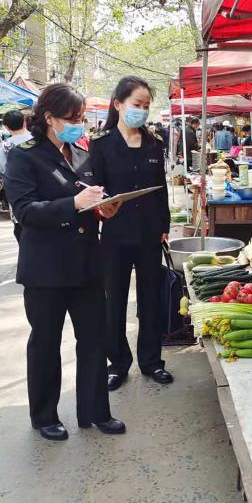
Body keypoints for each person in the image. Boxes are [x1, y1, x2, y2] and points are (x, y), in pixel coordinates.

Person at [4, 82, 125, 441]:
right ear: (49, 118)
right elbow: (25, 211)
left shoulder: (81, 153)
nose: (79, 124)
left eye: (83, 118)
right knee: (45, 342)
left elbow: (88, 202)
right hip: (46, 269)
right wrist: (73, 205)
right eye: (72, 118)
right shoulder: (24, 155)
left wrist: (104, 209)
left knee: (93, 339)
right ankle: (44, 416)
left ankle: (95, 411)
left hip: (87, 263)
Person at [90, 76, 173, 391]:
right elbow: (94, 189)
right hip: (115, 235)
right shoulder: (101, 144)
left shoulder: (154, 143)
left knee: (150, 301)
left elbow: (161, 189)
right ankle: (118, 364)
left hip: (150, 234)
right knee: (114, 303)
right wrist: (101, 209)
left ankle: (152, 362)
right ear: (118, 104)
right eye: (136, 105)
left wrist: (164, 225)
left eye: (146, 106)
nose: (141, 111)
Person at [0, 110, 32, 241]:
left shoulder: (5, 146)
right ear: (25, 122)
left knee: (22, 231)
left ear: (6, 127)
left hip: (18, 194)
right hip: (45, 195)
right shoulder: (39, 139)